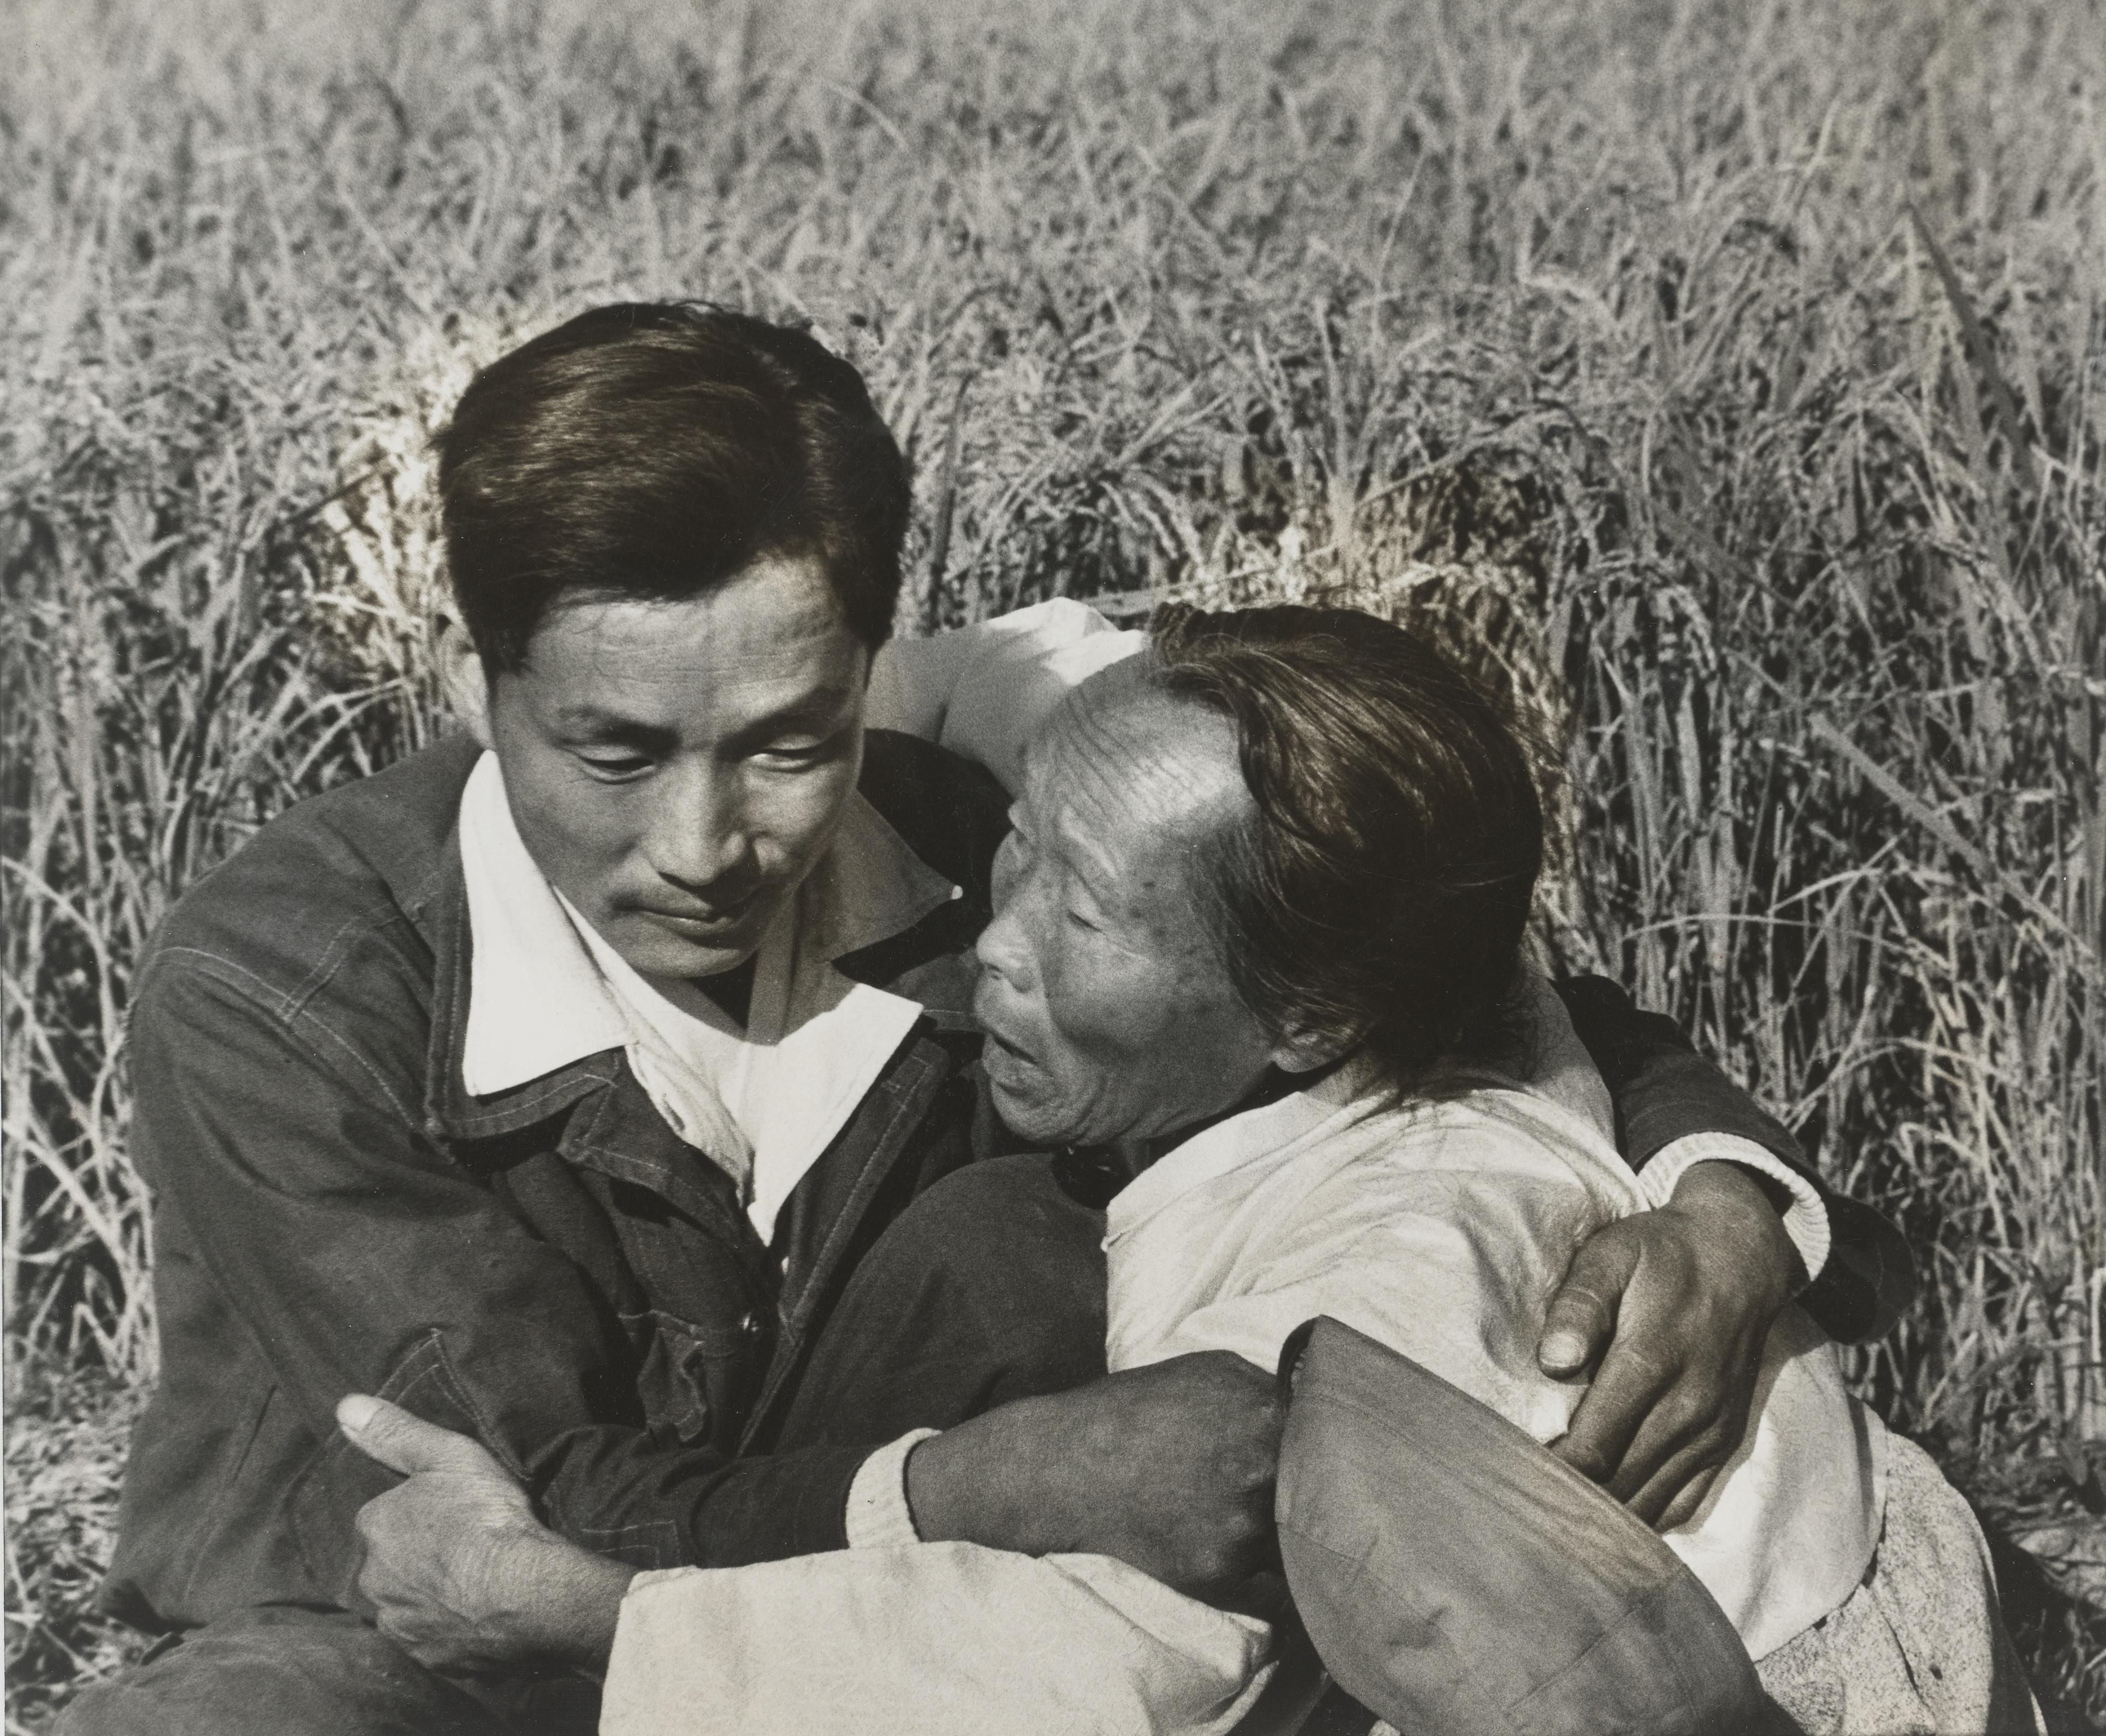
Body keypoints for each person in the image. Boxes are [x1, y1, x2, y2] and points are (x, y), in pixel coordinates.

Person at [68, 304, 1909, 1736]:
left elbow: (1425, 957)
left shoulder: (992, 849)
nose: (709, 846)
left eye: (791, 740)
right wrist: (982, 1480)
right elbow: (536, 1506)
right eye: (612, 754)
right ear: (476, 678)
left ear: (878, 658)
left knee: (1015, 1240)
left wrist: (1723, 1192)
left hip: (892, 1657)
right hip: (444, 1642)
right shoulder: (284, 990)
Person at [342, 606, 2035, 1734]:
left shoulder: (1389, 1276)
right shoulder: (1440, 1002)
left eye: (1074, 915)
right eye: (1010, 867)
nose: (987, 954)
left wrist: (594, 1618)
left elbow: (1084, 1677)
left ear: (1303, 1014)